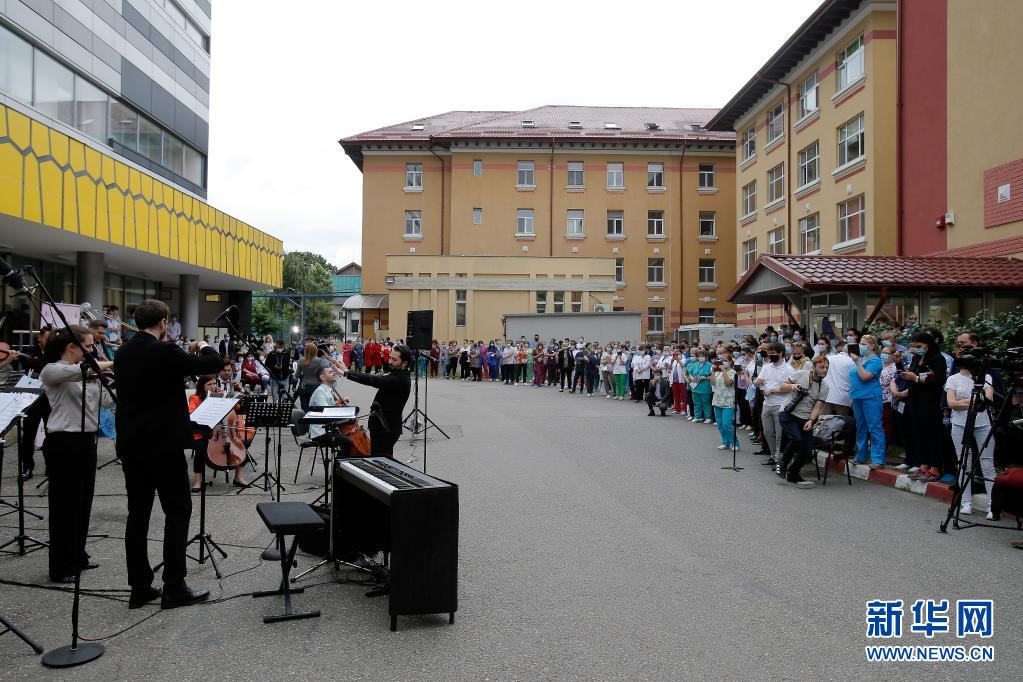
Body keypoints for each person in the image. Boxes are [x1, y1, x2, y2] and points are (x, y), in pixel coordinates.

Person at [114, 299, 222, 610]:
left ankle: (139, 587)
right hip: (163, 445)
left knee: (138, 515)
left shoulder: (123, 352)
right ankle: (174, 586)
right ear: (163, 322)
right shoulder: (164, 350)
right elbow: (212, 363)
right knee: (177, 511)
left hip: (133, 444)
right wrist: (202, 344)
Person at [40, 325, 114, 582]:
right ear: (72, 347)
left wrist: (116, 380)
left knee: (83, 501)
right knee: (65, 505)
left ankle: (77, 556)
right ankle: (60, 566)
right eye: (89, 346)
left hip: (86, 441)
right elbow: (73, 372)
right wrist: (107, 364)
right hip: (63, 442)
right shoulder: (53, 370)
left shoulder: (89, 372)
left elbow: (106, 401)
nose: (93, 350)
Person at [945, 359, 996, 518]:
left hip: (983, 424)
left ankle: (993, 505)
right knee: (964, 463)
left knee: (987, 464)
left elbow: (988, 400)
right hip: (960, 424)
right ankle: (966, 502)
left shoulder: (986, 377)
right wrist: (974, 402)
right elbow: (951, 403)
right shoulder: (953, 379)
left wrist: (963, 402)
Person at [342, 345, 412, 457]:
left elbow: (373, 380)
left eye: (394, 360)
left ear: (404, 363)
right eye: (390, 357)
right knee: (381, 459)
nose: (389, 361)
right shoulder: (398, 374)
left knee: (381, 460)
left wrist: (347, 373)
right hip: (382, 427)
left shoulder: (399, 379)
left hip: (386, 428)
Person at [776, 355, 831, 487]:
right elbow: (781, 387)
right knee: (797, 439)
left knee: (807, 449)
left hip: (805, 418)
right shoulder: (801, 374)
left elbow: (817, 406)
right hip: (788, 413)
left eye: (827, 367)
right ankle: (782, 463)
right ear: (814, 367)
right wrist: (792, 386)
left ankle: (793, 473)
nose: (825, 370)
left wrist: (811, 420)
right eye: (821, 367)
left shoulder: (824, 387)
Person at [902, 332, 948, 482]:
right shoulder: (916, 358)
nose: (917, 349)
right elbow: (913, 374)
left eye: (920, 346)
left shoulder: (937, 359)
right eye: (915, 346)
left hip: (931, 402)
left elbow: (938, 379)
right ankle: (923, 465)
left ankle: (935, 467)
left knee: (932, 435)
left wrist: (916, 378)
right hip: (915, 400)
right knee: (919, 433)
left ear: (928, 345)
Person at [849, 334, 886, 469]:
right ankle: (861, 455)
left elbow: (865, 377)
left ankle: (878, 459)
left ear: (872, 346)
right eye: (860, 343)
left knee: (874, 427)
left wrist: (858, 363)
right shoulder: (860, 358)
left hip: (871, 398)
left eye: (864, 344)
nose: (861, 346)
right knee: (861, 427)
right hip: (857, 397)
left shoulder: (875, 361)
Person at [756, 342, 794, 466]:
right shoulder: (766, 367)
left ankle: (779, 457)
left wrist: (772, 390)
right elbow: (759, 380)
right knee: (767, 432)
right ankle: (773, 455)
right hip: (767, 403)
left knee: (779, 434)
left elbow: (789, 387)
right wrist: (757, 382)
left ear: (781, 353)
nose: (771, 355)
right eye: (770, 353)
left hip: (780, 404)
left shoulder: (789, 369)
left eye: (773, 353)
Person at [711, 353, 737, 450]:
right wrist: (713, 371)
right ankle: (725, 442)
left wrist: (724, 371)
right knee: (720, 424)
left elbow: (728, 383)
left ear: (730, 362)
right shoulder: (717, 372)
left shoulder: (733, 372)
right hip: (717, 400)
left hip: (728, 401)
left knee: (727, 424)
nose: (723, 362)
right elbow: (712, 382)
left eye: (725, 360)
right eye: (721, 360)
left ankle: (735, 443)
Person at [298, 342, 330, 410]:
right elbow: (326, 370)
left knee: (304, 409)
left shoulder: (301, 360)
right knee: (315, 409)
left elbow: (297, 375)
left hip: (304, 385)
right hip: (316, 385)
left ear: (305, 350)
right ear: (316, 351)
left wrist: (304, 374)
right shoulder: (320, 361)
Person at [687, 350, 713, 423]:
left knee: (706, 403)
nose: (701, 357)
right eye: (699, 356)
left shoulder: (710, 365)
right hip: (695, 386)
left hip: (705, 386)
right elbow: (690, 373)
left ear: (706, 357)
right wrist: (691, 378)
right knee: (696, 403)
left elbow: (713, 376)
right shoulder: (695, 364)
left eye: (703, 356)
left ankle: (708, 417)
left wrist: (705, 377)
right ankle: (697, 417)